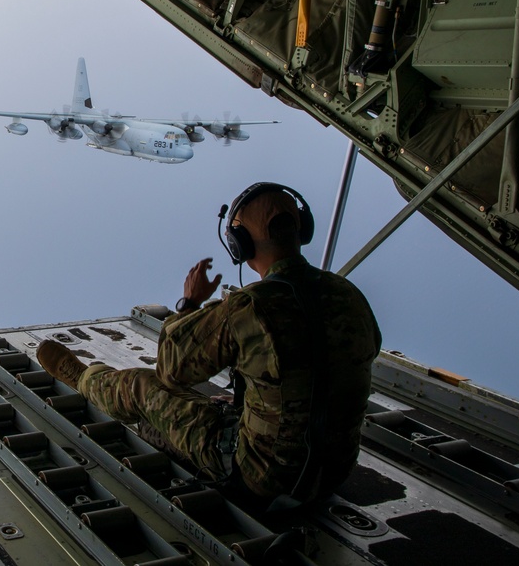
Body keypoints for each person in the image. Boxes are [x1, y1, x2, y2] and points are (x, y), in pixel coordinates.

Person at [37, 182, 381, 508]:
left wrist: (190, 303)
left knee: (143, 386)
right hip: (332, 474)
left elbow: (171, 369)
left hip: (260, 475)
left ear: (240, 244)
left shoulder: (250, 306)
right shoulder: (351, 297)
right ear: (302, 228)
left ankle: (83, 378)